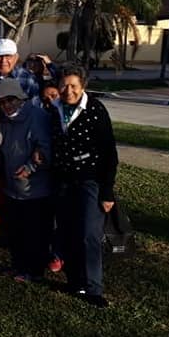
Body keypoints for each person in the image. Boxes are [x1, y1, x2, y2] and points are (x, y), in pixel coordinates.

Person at [47, 64, 118, 307]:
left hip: (91, 180)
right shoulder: (54, 109)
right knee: (68, 232)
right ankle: (75, 281)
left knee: (89, 233)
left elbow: (109, 152)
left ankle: (93, 288)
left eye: (74, 86)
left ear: (83, 86)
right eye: (64, 85)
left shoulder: (95, 110)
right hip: (64, 181)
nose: (69, 91)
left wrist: (107, 191)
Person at [0, 79, 52, 281]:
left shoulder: (37, 116)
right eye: (2, 102)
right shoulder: (3, 119)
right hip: (10, 186)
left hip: (35, 188)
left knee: (33, 233)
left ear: (21, 98)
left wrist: (30, 167)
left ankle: (34, 271)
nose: (7, 105)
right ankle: (18, 266)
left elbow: (46, 148)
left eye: (11, 100)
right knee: (13, 231)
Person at [0, 38, 54, 104]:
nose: (3, 60)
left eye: (8, 56)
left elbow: (35, 106)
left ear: (16, 57)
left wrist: (50, 65)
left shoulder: (28, 78)